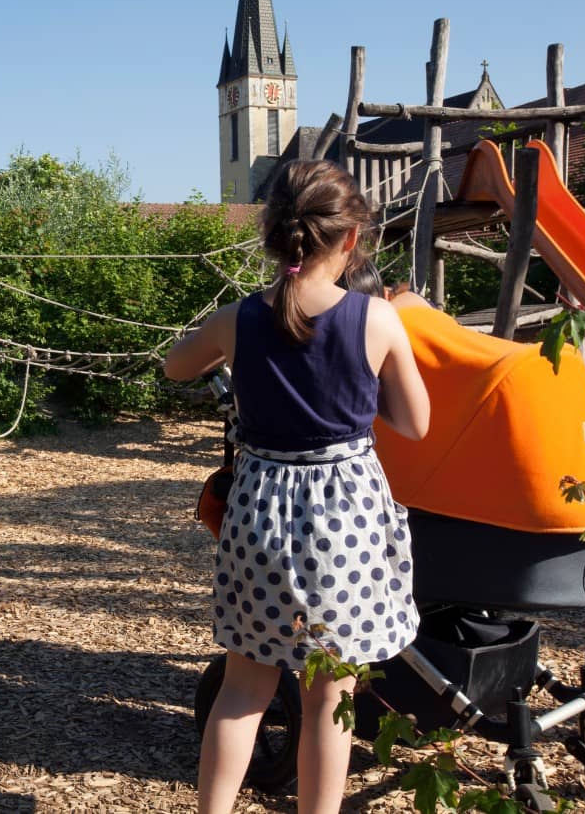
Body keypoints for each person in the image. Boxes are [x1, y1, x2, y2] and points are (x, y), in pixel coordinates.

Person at [164, 159, 430, 814]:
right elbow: (416, 423)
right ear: (350, 238)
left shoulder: (238, 319)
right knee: (327, 701)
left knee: (242, 689)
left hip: (260, 518)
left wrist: (219, 337)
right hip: (344, 524)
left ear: (274, 235)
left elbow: (174, 367)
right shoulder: (375, 319)